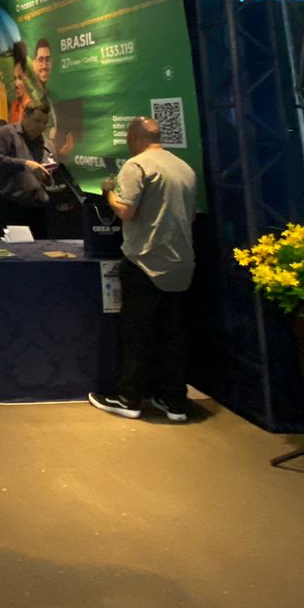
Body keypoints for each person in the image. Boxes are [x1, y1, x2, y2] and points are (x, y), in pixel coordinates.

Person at [89, 117, 198, 423]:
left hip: (145, 262)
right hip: (181, 263)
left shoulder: (136, 166)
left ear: (135, 137)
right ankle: (174, 401)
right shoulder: (184, 168)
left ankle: (129, 398)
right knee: (173, 335)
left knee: (137, 333)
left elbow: (126, 210)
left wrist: (108, 192)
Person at [0, 100, 56, 240]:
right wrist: (24, 164)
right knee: (9, 250)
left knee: (40, 250)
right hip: (7, 206)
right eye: (37, 121)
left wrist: (47, 176)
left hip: (37, 208)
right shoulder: (5, 134)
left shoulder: (46, 144)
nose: (41, 126)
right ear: (24, 116)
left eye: (45, 123)